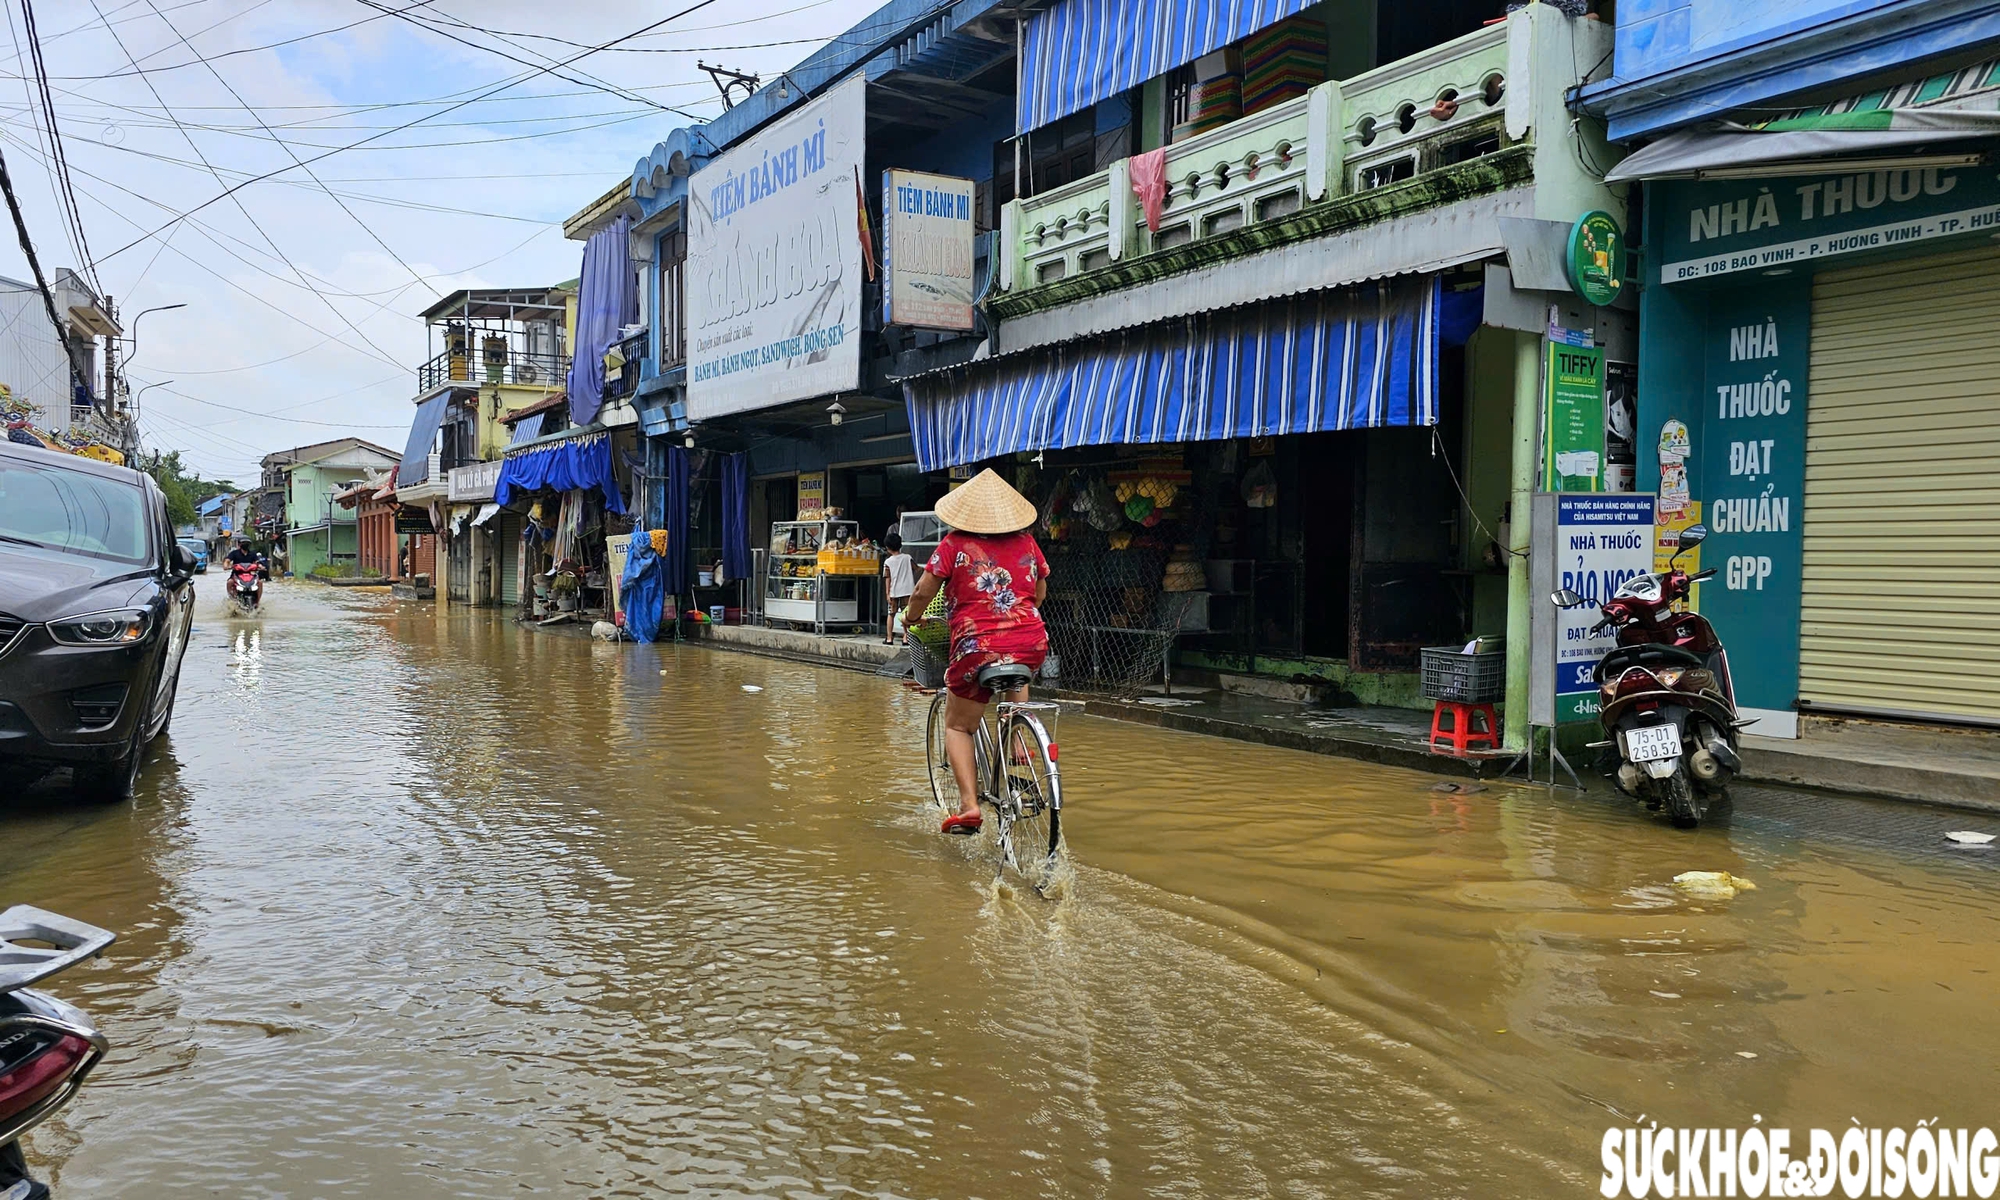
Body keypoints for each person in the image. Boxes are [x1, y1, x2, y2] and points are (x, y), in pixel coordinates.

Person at [901, 469, 1049, 835]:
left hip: (976, 646)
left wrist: (909, 618)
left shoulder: (953, 544)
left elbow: (922, 592)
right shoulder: (1028, 543)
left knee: (957, 725)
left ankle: (969, 805)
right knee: (1015, 663)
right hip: (1031, 639)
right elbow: (1040, 590)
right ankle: (1015, 738)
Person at [881, 531, 914, 645]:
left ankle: (889, 638)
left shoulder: (888, 562)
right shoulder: (908, 558)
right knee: (907, 614)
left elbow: (887, 578)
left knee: (891, 614)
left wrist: (887, 593)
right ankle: (906, 637)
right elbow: (916, 568)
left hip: (894, 591)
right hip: (907, 590)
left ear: (888, 548)